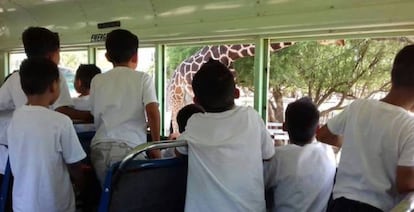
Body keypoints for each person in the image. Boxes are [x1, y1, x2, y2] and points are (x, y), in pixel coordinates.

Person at [317, 44, 414, 211]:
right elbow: (405, 182)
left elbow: (323, 134)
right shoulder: (409, 125)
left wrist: (355, 144)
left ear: (392, 76)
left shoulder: (358, 107)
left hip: (339, 205)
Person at [176, 59, 275, 212]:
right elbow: (268, 154)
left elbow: (179, 151)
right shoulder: (251, 117)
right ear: (236, 93)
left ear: (196, 101)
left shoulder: (195, 123)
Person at [7, 58, 86, 212]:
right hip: (55, 204)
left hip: (22, 204)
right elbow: (74, 164)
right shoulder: (61, 122)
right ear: (53, 86)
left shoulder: (15, 119)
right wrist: (83, 187)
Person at [89, 29, 161, 184]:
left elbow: (94, 112)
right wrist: (155, 147)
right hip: (129, 149)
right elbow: (153, 113)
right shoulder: (143, 78)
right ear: (135, 56)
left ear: (107, 57)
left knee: (110, 195)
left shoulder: (97, 80)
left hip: (99, 147)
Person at [0, 26, 92, 122]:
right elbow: (62, 110)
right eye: (58, 52)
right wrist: (91, 116)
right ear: (51, 56)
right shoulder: (55, 75)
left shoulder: (14, 78)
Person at [264, 97, 336, 212]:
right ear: (317, 128)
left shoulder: (277, 158)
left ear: (284, 126)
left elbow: (257, 184)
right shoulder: (328, 153)